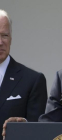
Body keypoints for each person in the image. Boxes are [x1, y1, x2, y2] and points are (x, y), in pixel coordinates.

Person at [0, 9, 47, 140]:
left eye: (4, 35)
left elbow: (39, 129)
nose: (0, 42)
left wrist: (23, 126)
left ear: (11, 39)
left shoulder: (33, 80)